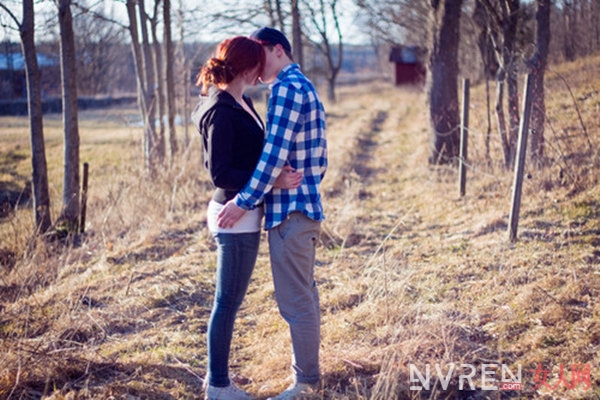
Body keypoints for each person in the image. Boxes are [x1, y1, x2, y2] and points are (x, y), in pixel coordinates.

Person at [217, 27, 328, 400]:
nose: (254, 64)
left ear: (277, 50)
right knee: (304, 297)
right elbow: (315, 160)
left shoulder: (285, 90)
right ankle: (308, 377)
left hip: (291, 214)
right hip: (301, 209)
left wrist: (242, 202)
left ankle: (306, 384)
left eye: (259, 54)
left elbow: (272, 157)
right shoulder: (303, 87)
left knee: (296, 302)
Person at [192, 36, 303, 400]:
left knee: (229, 300)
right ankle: (218, 386)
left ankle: (217, 381)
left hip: (244, 212)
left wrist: (273, 174)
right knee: (226, 301)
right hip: (233, 215)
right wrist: (273, 181)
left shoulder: (244, 101)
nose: (263, 71)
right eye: (257, 63)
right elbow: (222, 174)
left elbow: (257, 156)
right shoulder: (221, 110)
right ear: (245, 67)